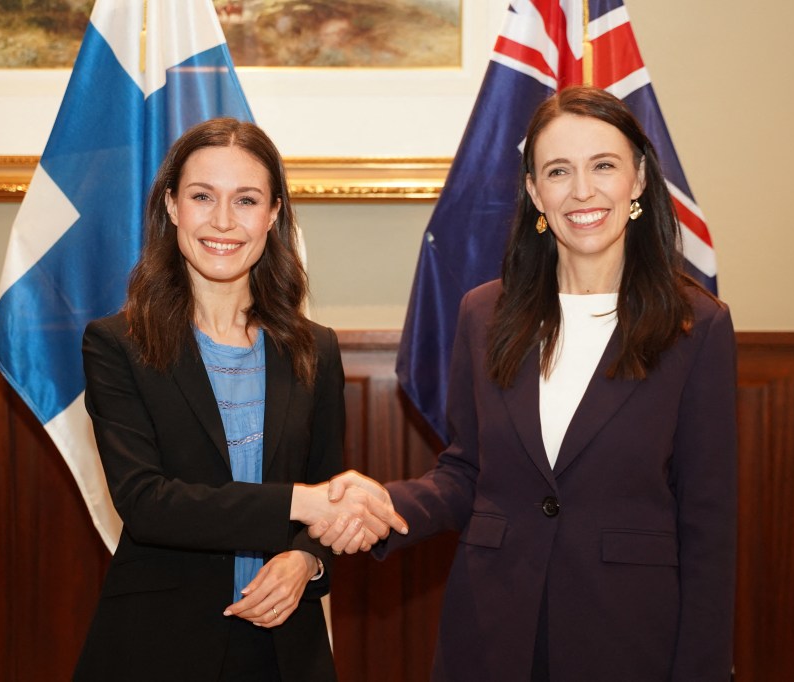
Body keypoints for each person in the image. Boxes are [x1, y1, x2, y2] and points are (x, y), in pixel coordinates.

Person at [315, 86, 738, 681]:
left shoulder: (698, 326)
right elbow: (466, 472)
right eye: (558, 171)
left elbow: (708, 525)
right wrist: (387, 505)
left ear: (638, 180)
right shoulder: (482, 314)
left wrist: (702, 670)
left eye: (604, 166)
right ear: (536, 191)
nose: (582, 190)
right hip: (490, 633)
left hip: (628, 640)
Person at [73, 118, 406, 682]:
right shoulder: (116, 345)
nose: (223, 221)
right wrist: (303, 503)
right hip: (158, 646)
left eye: (246, 200)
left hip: (285, 648)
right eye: (203, 196)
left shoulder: (313, 348)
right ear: (173, 206)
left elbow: (324, 491)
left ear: (273, 214)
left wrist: (305, 561)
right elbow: (148, 503)